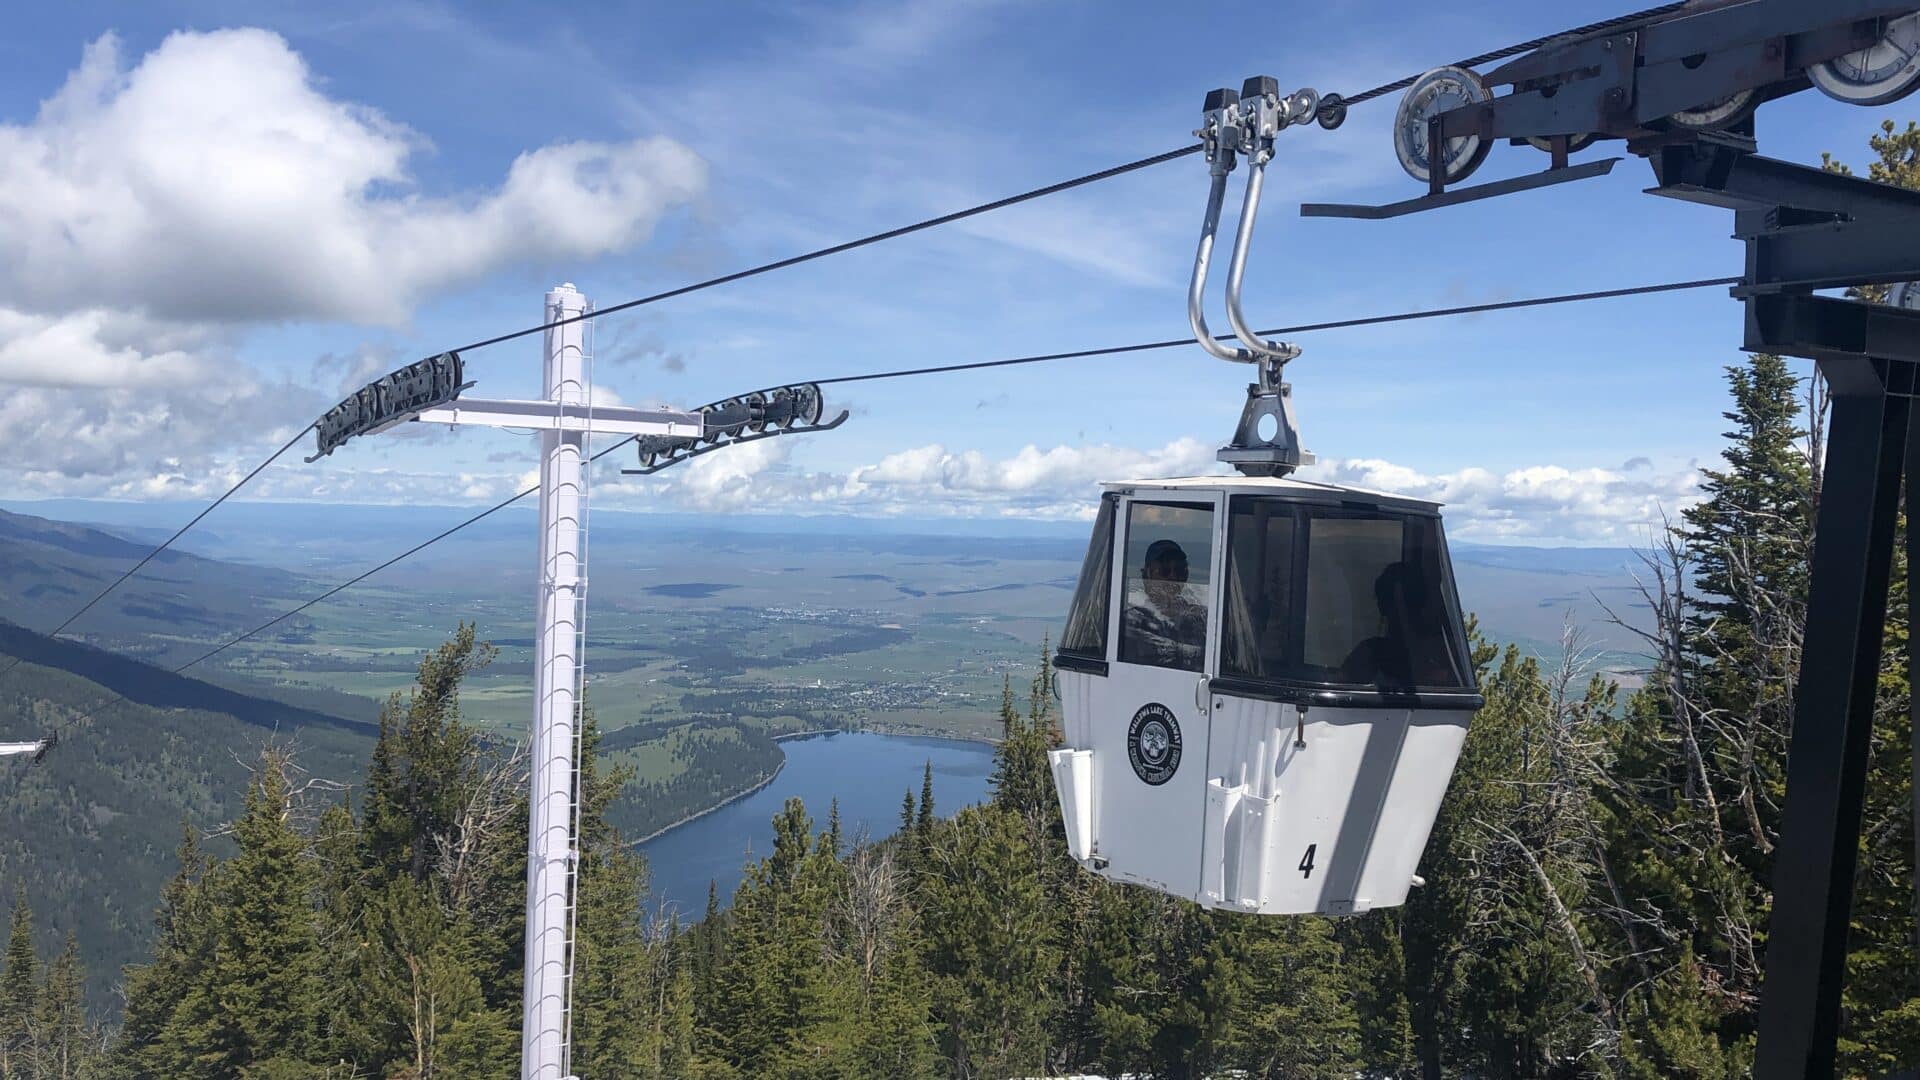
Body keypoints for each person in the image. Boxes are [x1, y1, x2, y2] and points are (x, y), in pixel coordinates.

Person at [1123, 538, 1207, 670]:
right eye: (1164, 570)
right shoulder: (1132, 620)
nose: (1173, 577)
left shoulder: (1200, 617)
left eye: (1179, 571)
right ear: (1147, 575)